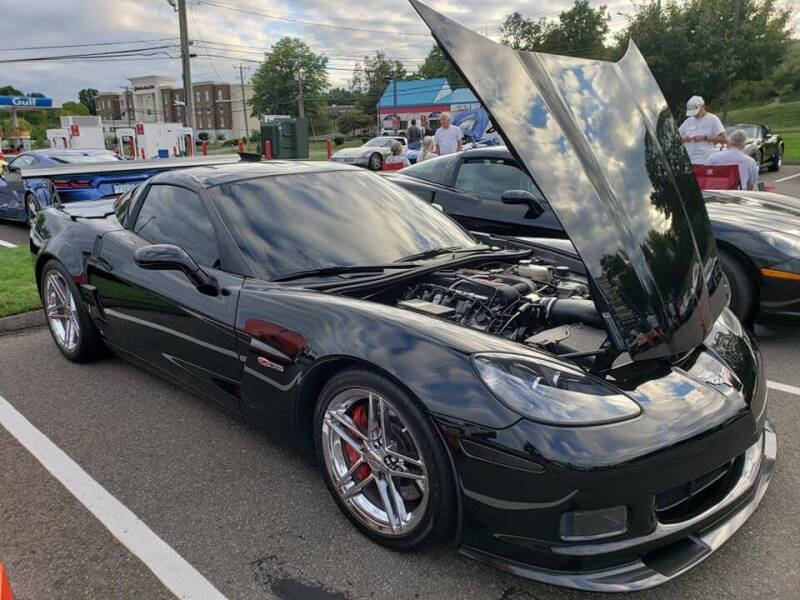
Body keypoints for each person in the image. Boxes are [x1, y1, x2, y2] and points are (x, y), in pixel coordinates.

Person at [678, 95, 727, 165]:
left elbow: (723, 139)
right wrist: (683, 138)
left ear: (702, 106)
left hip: (706, 161)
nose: (694, 114)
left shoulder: (713, 119)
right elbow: (675, 137)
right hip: (690, 162)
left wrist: (704, 138)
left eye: (696, 111)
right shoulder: (688, 121)